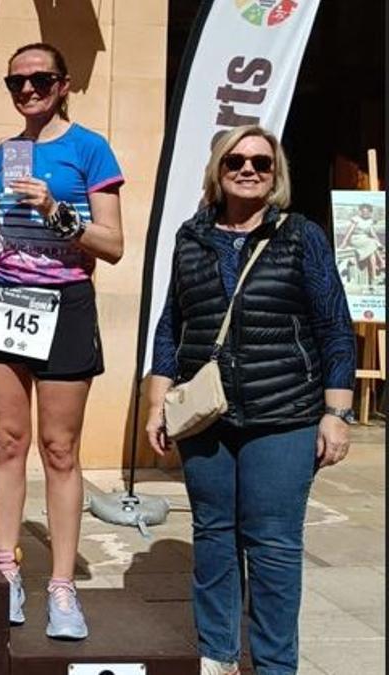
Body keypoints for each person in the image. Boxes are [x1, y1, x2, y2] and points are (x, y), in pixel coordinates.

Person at [146, 125, 355, 675]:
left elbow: (335, 326)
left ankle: (273, 666)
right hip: (205, 416)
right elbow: (171, 325)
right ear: (218, 168)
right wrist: (156, 403)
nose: (248, 170)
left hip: (283, 413)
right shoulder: (191, 236)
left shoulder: (300, 235)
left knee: (274, 547)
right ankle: (216, 657)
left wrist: (336, 413)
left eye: (262, 164)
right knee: (213, 538)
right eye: (236, 160)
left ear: (275, 174)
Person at [0, 42, 125, 640]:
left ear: (64, 83)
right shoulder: (8, 151)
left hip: (66, 305)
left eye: (40, 80)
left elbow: (113, 244)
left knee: (59, 450)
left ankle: (62, 586)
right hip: (4, 302)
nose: (28, 91)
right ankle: (6, 569)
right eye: (16, 82)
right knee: (6, 442)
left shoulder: (90, 148)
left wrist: (58, 210)